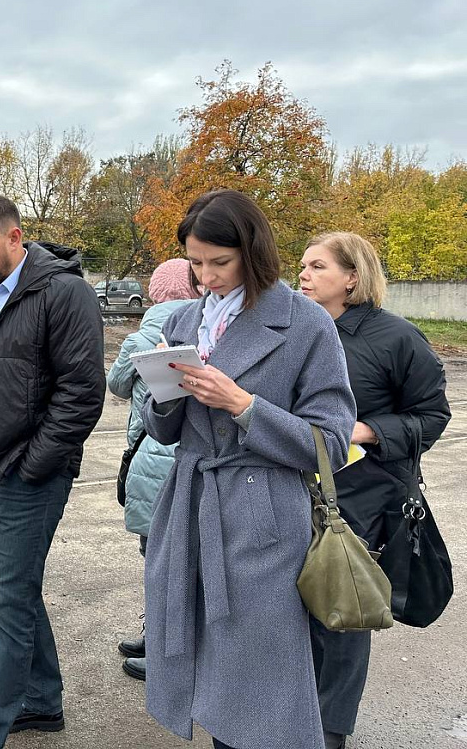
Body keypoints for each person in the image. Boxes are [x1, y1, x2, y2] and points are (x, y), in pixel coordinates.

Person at [142, 189, 356, 749]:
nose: (206, 277)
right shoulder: (184, 318)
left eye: (219, 261)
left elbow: (331, 443)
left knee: (257, 685)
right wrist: (162, 391)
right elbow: (164, 431)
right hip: (188, 506)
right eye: (195, 262)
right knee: (199, 664)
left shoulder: (306, 324)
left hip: (263, 519)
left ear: (253, 252)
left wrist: (243, 405)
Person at [0, 195, 105, 748]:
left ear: (15, 237)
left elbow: (82, 394)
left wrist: (32, 467)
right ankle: (43, 700)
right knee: (16, 589)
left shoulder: (65, 293)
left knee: (8, 598)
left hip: (29, 474)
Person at [299, 232, 451, 749]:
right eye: (303, 265)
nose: (303, 275)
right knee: (290, 604)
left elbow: (432, 416)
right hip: (293, 485)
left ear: (352, 278)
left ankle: (329, 729)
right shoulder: (297, 329)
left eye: (318, 266)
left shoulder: (396, 337)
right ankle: (291, 709)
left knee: (341, 609)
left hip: (363, 494)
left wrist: (365, 431)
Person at [104, 258, 200, 682]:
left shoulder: (142, 337)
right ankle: (160, 636)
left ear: (156, 292)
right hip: (195, 453)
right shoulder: (205, 328)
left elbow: (116, 385)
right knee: (187, 554)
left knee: (157, 556)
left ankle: (165, 648)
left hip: (151, 452)